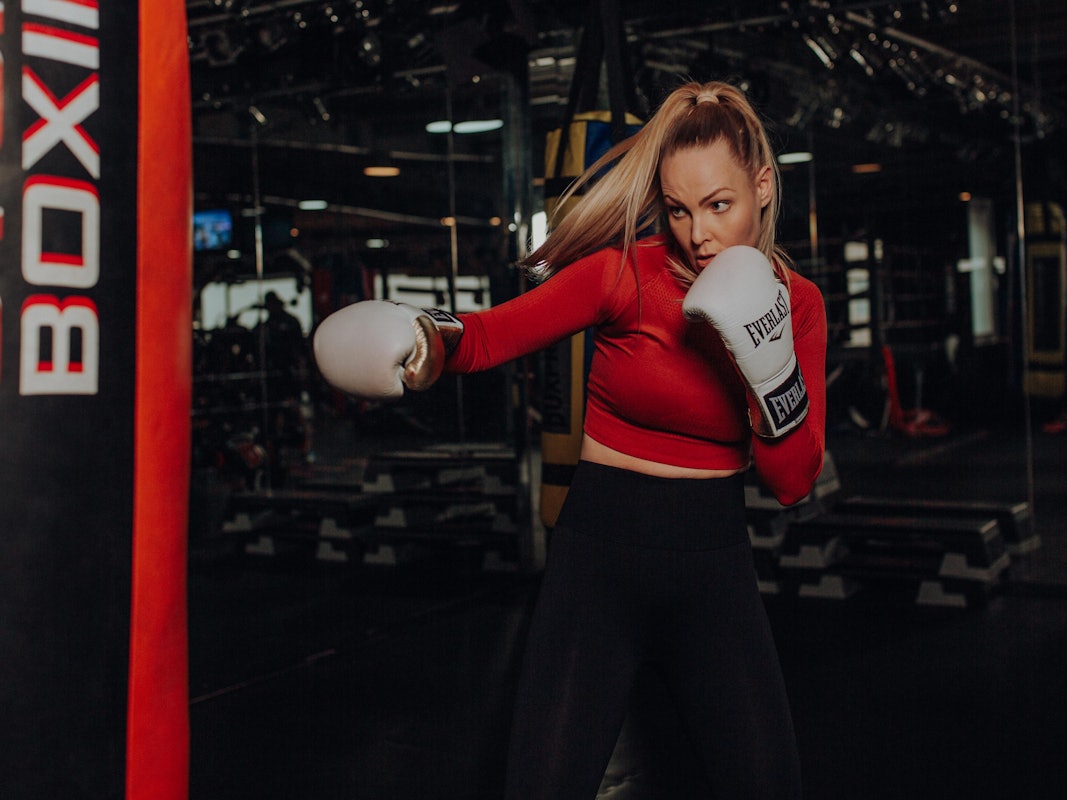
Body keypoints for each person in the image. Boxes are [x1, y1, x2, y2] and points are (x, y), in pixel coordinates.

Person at [313, 80, 826, 799]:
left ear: (763, 186)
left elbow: (792, 481)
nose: (697, 234)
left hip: (715, 568)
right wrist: (425, 339)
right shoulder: (626, 271)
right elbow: (494, 333)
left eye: (718, 205)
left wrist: (771, 379)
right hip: (600, 564)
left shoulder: (796, 305)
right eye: (677, 209)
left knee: (769, 785)